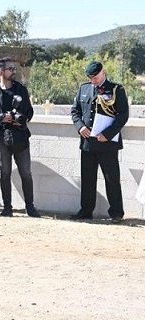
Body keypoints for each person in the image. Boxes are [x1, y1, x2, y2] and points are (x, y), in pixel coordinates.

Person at [0, 57, 40, 218]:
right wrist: (0, 118)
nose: (14, 71)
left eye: (14, 68)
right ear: (0, 72)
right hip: (1, 137)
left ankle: (30, 207)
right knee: (4, 173)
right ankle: (7, 208)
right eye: (10, 69)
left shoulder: (21, 89)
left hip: (20, 136)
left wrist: (21, 119)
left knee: (26, 173)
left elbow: (30, 112)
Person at [70, 61, 128, 222]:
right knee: (87, 178)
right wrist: (80, 127)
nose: (92, 81)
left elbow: (123, 115)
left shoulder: (116, 89)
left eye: (95, 77)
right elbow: (75, 111)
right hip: (88, 142)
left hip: (107, 143)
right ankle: (86, 211)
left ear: (103, 72)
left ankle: (116, 212)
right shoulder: (84, 88)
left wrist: (108, 134)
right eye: (90, 78)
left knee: (112, 179)